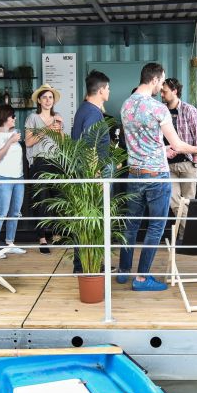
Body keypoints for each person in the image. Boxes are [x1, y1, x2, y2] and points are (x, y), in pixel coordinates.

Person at [116, 62, 197, 291]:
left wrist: (162, 150)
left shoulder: (126, 105)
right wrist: (196, 149)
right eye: (161, 81)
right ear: (154, 80)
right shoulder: (157, 108)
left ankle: (123, 271)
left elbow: (139, 143)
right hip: (156, 176)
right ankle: (142, 278)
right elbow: (178, 144)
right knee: (155, 227)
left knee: (131, 224)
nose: (161, 86)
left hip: (135, 174)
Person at [70, 70, 112, 273]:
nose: (109, 91)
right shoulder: (93, 112)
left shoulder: (85, 109)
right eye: (108, 88)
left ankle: (84, 265)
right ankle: (87, 266)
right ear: (101, 90)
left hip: (86, 173)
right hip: (92, 175)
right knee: (92, 220)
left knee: (86, 220)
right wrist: (96, 175)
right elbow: (89, 144)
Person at [24, 84, 64, 254]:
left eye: (50, 97)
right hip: (39, 161)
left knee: (57, 199)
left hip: (56, 161)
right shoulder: (32, 118)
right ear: (39, 101)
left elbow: (62, 143)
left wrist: (59, 131)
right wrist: (47, 129)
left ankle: (56, 234)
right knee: (41, 200)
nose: (48, 100)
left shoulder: (58, 117)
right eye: (45, 97)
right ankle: (42, 238)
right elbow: (28, 142)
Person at [161, 76, 197, 226]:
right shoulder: (161, 111)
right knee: (174, 202)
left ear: (175, 91)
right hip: (167, 164)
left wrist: (195, 163)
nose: (162, 94)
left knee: (188, 202)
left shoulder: (189, 110)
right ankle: (190, 235)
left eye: (165, 91)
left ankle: (183, 236)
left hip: (188, 163)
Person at [0, 105, 26, 254]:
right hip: (2, 177)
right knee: (1, 212)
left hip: (18, 178)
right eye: (12, 116)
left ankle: (9, 243)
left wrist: (12, 139)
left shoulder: (14, 132)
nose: (15, 118)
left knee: (15, 212)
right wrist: (10, 141)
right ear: (5, 117)